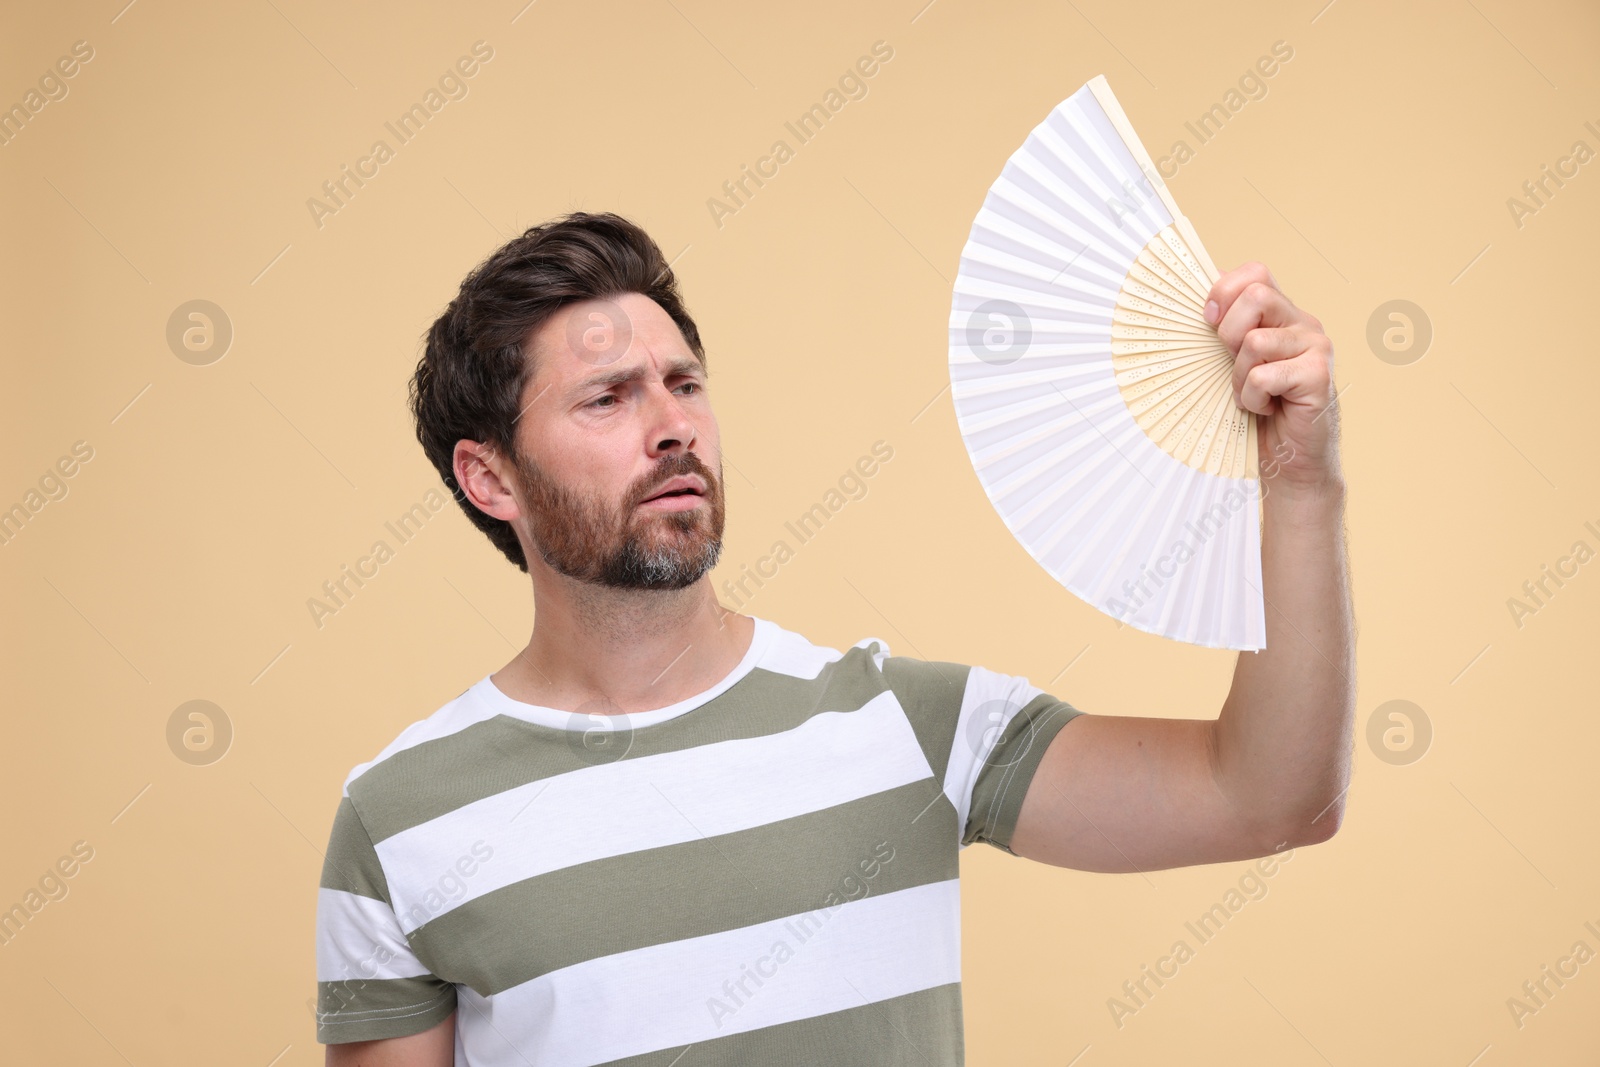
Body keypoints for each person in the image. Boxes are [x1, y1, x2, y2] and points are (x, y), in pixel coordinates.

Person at [314, 211, 1353, 1066]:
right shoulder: (402, 818)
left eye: (683, 383)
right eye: (608, 396)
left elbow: (1270, 796)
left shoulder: (907, 723)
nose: (672, 425)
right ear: (489, 477)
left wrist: (1299, 482)